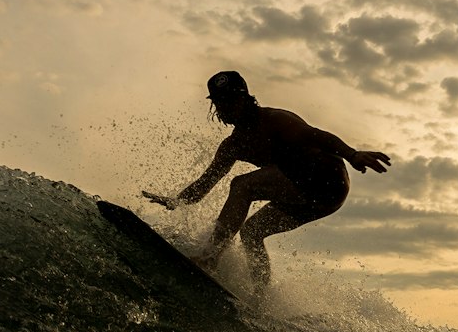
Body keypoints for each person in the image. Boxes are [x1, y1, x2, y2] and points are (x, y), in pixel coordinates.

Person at [143, 70, 390, 289]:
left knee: (242, 185)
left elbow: (317, 136)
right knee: (251, 232)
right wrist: (175, 201)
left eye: (230, 100)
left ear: (244, 97)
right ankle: (262, 298)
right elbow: (205, 184)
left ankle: (210, 258)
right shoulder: (233, 145)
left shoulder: (274, 120)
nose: (224, 108)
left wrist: (352, 154)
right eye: (219, 103)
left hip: (326, 179)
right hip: (314, 199)